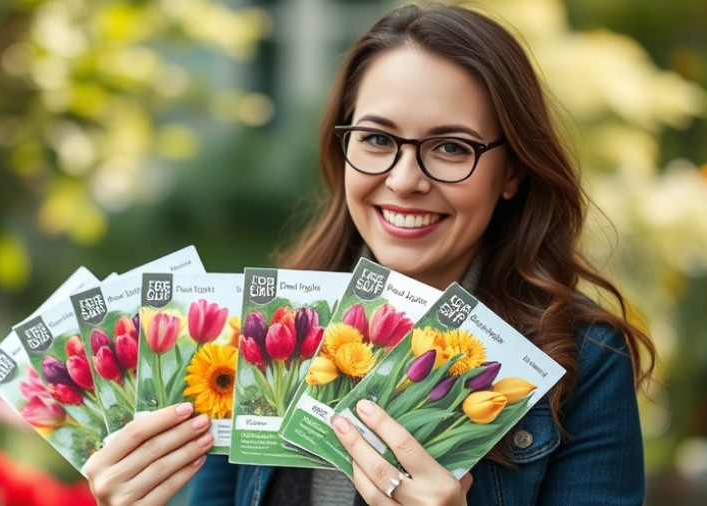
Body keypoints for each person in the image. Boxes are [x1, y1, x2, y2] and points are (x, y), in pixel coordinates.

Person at [83, 3, 657, 505]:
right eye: (378, 139)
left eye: (451, 147)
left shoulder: (585, 362)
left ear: (511, 172)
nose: (404, 180)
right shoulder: (269, 327)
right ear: (345, 144)